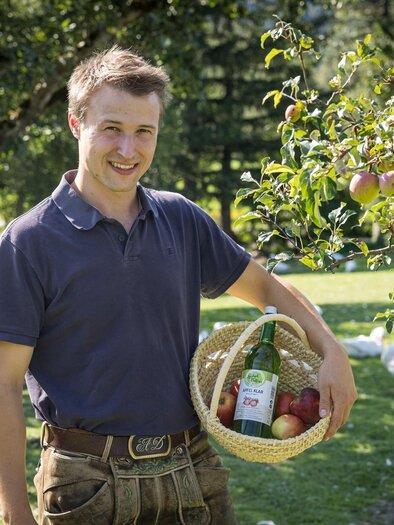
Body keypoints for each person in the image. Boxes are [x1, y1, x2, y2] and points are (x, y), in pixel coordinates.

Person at [0, 46, 357, 525]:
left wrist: (333, 352)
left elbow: (270, 291)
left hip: (194, 473)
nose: (129, 150)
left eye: (144, 132)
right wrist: (14, 513)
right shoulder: (28, 241)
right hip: (85, 486)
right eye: (112, 129)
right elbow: (3, 385)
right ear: (74, 124)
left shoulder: (181, 218)